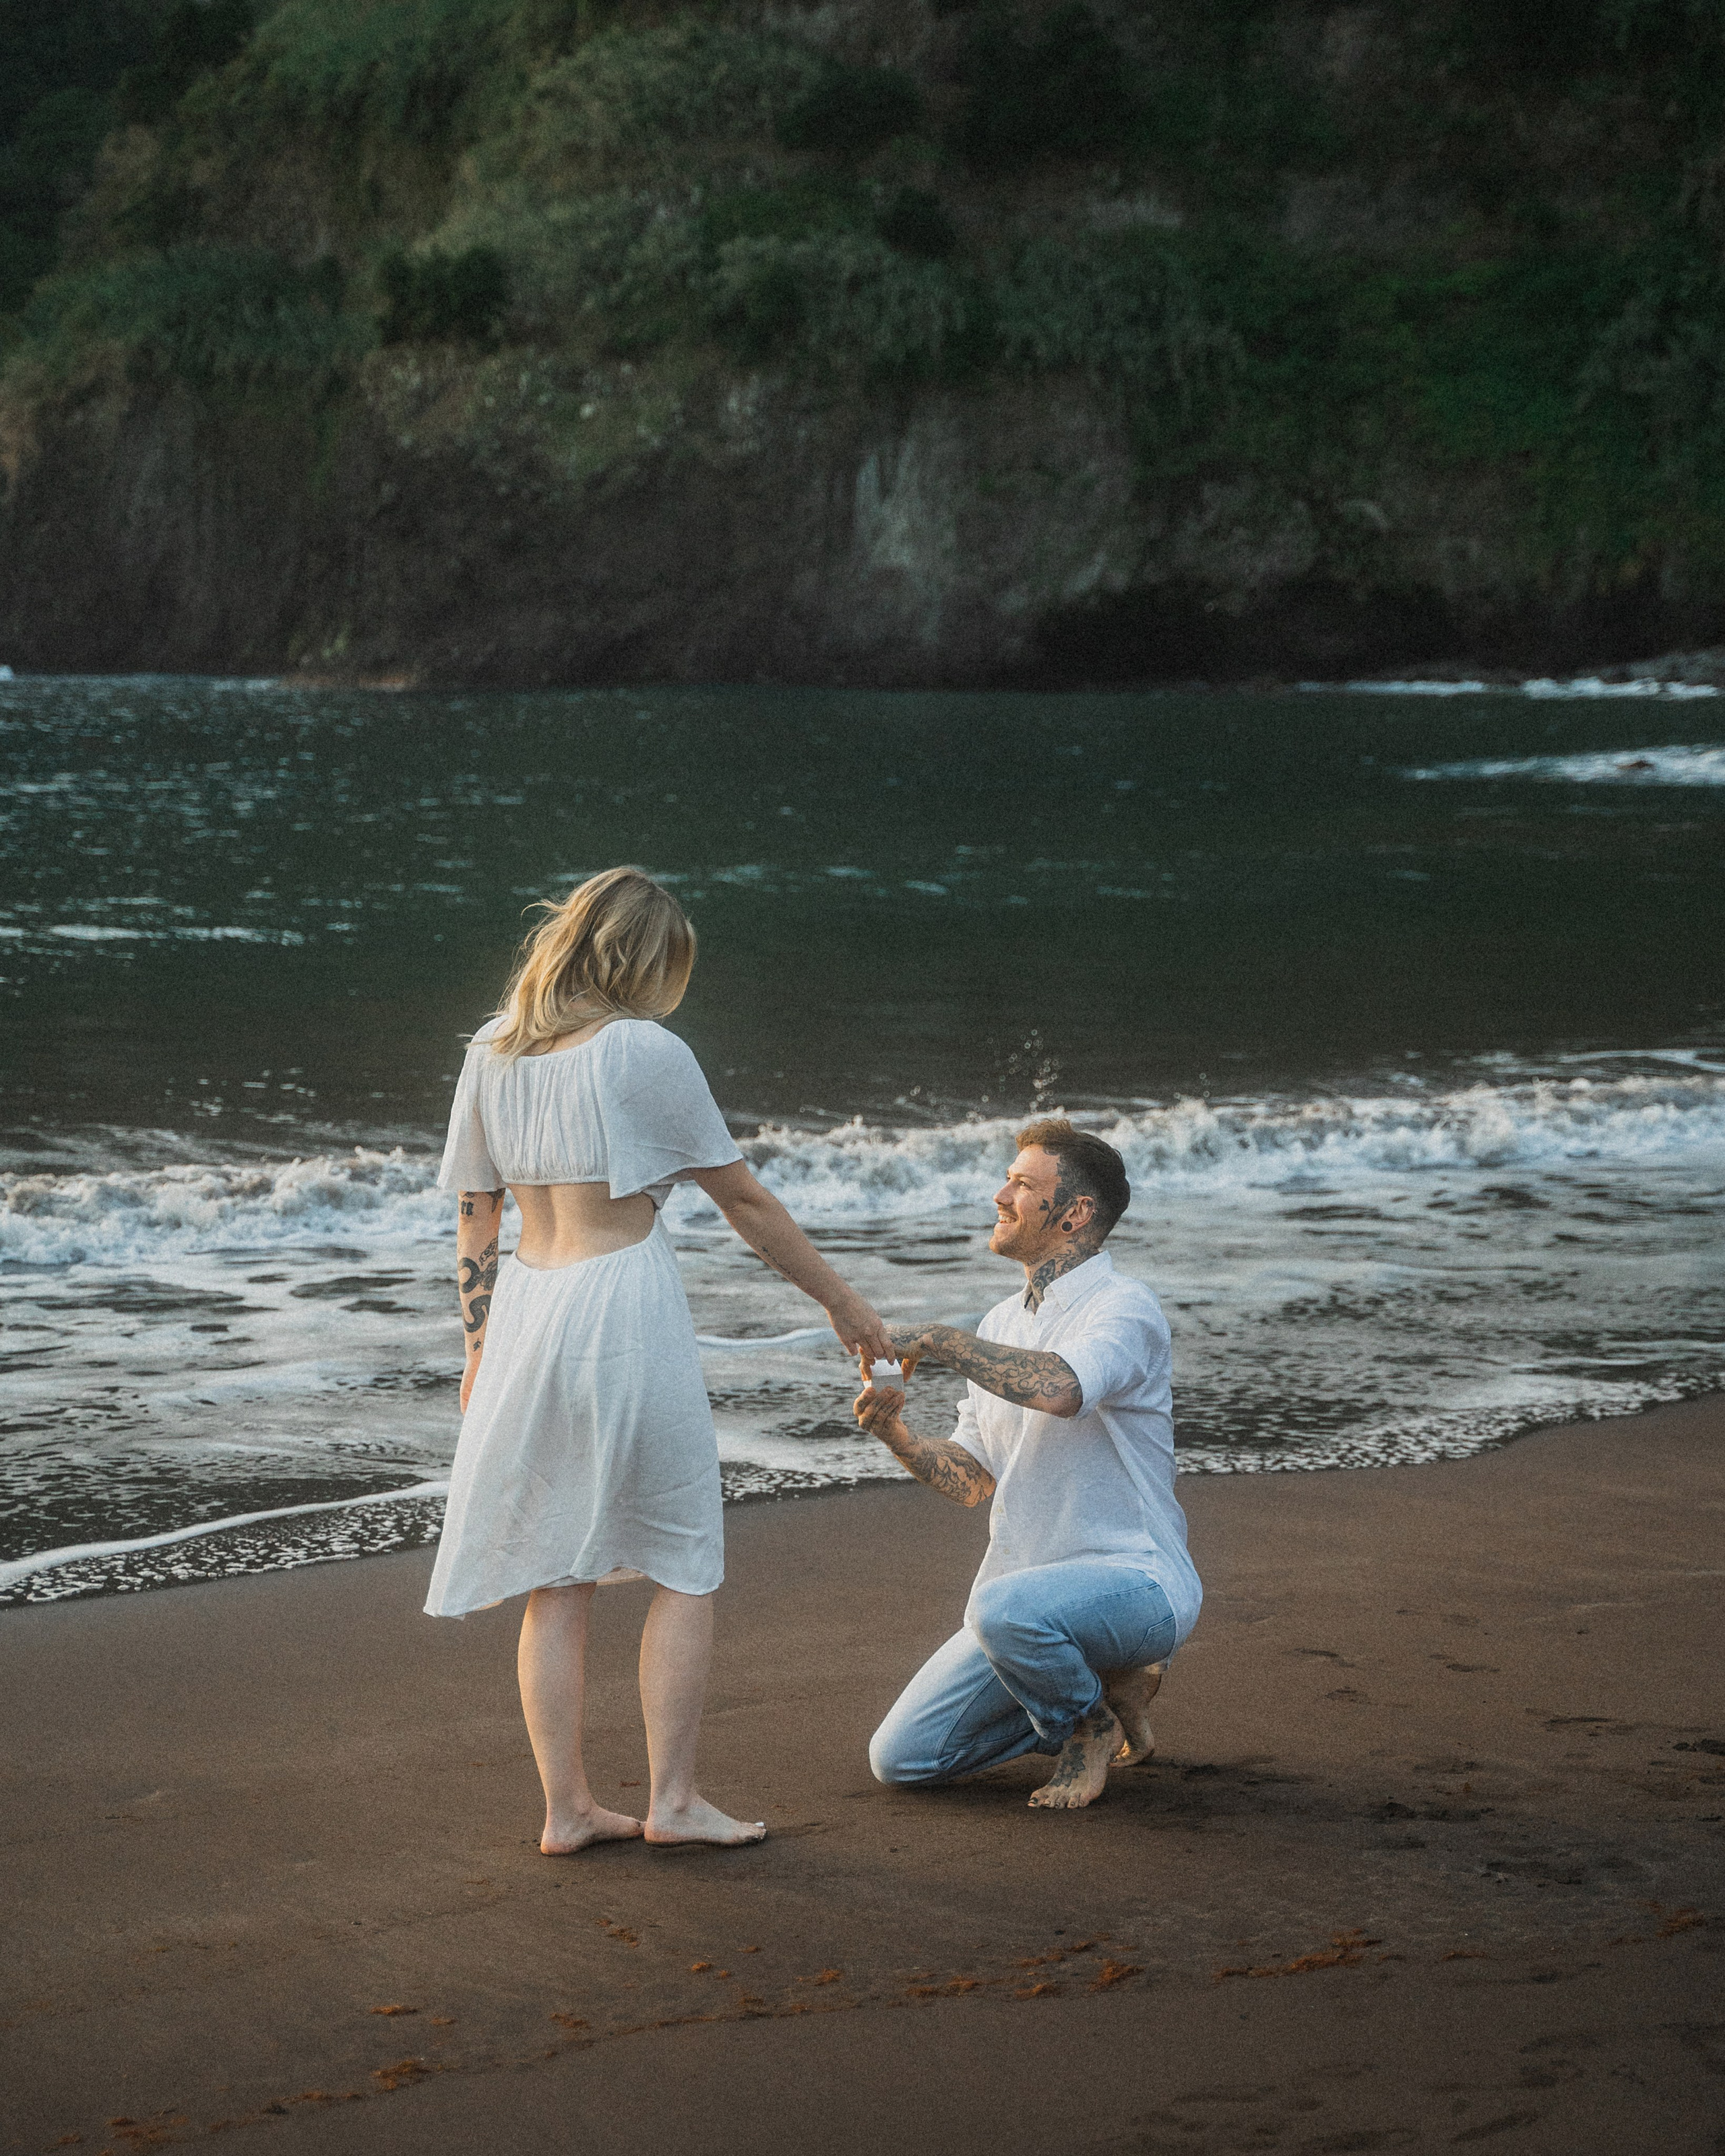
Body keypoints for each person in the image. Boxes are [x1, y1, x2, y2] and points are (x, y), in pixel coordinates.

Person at [427, 866, 891, 1852]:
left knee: (556, 1572)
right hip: (621, 1301)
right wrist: (844, 1304)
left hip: (527, 1308)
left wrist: (477, 1346)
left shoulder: (491, 1048)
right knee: (685, 1554)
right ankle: (672, 1803)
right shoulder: (644, 1050)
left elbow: (476, 1214)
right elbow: (747, 1203)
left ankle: (566, 1810)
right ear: (644, 958)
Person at [856, 1119, 1200, 1810]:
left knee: (1004, 1606)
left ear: (1074, 1212)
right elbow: (972, 1478)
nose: (999, 1194)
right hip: (1023, 1603)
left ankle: (1086, 1726)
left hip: (1138, 1581)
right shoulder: (1000, 1323)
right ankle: (1103, 1686)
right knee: (902, 1758)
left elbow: (1060, 1387)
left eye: (1021, 1184)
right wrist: (895, 1432)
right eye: (1007, 1179)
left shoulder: (1124, 1307)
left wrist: (939, 1340)